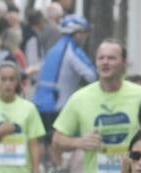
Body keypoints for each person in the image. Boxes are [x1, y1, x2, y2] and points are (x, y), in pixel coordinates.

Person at [54, 39, 141, 173]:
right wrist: (79, 141)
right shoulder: (80, 98)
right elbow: (57, 140)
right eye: (101, 58)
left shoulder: (140, 95)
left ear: (124, 63)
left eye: (111, 58)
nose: (105, 62)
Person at [31, 14, 94, 151]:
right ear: (76, 33)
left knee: (47, 148)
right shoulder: (73, 50)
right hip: (59, 106)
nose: (86, 37)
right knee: (61, 148)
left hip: (41, 104)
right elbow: (92, 76)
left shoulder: (54, 49)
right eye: (84, 33)